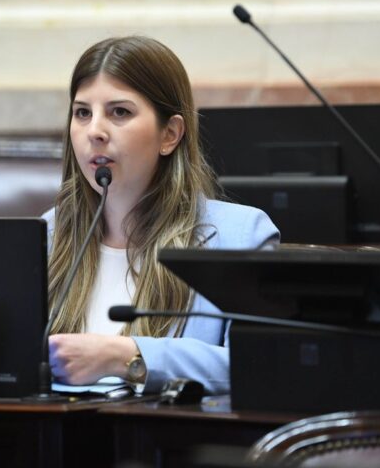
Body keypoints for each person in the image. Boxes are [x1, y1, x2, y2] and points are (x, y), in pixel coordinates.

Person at [42, 36, 279, 395]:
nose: (95, 132)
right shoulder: (43, 235)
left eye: (120, 112)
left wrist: (128, 356)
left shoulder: (241, 236)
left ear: (169, 134)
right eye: (82, 113)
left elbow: (262, 364)